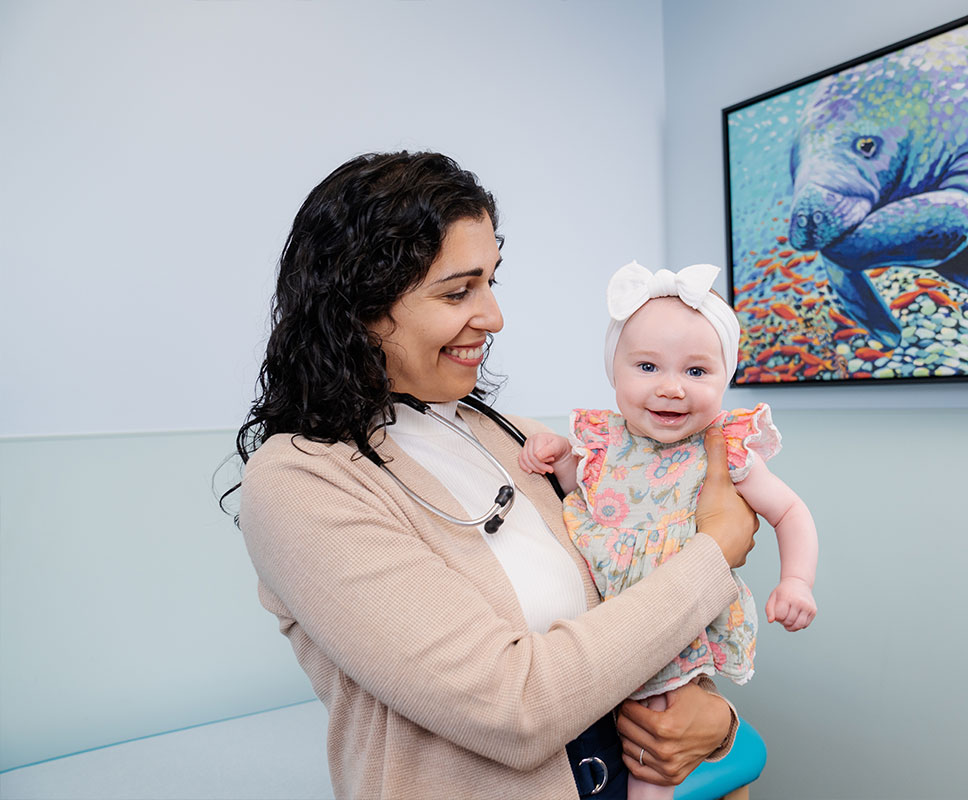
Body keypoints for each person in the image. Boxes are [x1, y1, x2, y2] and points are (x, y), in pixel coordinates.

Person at [228, 151, 759, 799]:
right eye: (458, 291)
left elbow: (631, 598)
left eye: (490, 283)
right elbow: (514, 709)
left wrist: (712, 720)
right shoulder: (302, 481)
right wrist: (715, 553)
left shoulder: (507, 434)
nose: (494, 317)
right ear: (358, 306)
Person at [518, 262, 820, 799]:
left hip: (672, 639)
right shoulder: (604, 443)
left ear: (727, 376)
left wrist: (796, 580)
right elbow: (580, 499)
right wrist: (560, 460)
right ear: (614, 371)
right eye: (648, 367)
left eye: (697, 372)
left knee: (652, 760)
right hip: (596, 632)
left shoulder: (725, 452)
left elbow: (790, 511)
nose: (672, 389)